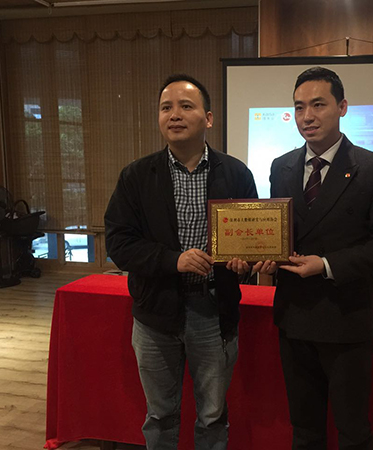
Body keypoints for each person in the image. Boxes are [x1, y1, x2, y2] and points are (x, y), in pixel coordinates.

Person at [254, 67, 373, 450]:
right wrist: (265, 255)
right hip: (293, 318)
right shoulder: (281, 167)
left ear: (342, 107)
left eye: (318, 105)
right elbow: (280, 234)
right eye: (299, 107)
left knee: (353, 432)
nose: (307, 116)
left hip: (346, 321)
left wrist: (325, 265)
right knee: (304, 431)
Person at [105, 74, 257, 450]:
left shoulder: (236, 173)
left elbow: (253, 239)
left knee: (212, 415)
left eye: (186, 106)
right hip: (155, 314)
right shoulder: (136, 176)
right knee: (159, 415)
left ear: (208, 118)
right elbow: (119, 244)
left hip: (214, 311)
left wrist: (246, 262)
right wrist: (174, 261)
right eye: (166, 107)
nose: (174, 114)